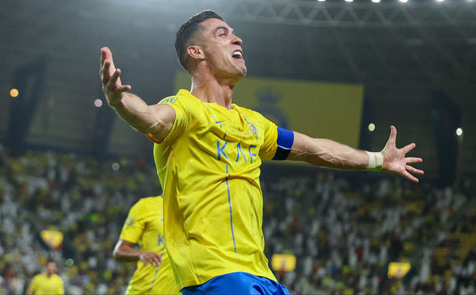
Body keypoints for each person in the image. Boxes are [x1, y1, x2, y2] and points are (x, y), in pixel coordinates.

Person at [99, 10, 424, 295]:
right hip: (214, 273)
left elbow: (315, 150)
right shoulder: (186, 109)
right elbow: (151, 118)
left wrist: (379, 160)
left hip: (259, 273)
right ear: (196, 51)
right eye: (222, 34)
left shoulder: (253, 124)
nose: (236, 38)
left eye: (234, 33)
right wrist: (118, 101)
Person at [113, 196, 179, 295]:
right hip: (146, 290)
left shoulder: (192, 208)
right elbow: (119, 250)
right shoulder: (146, 206)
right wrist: (140, 254)